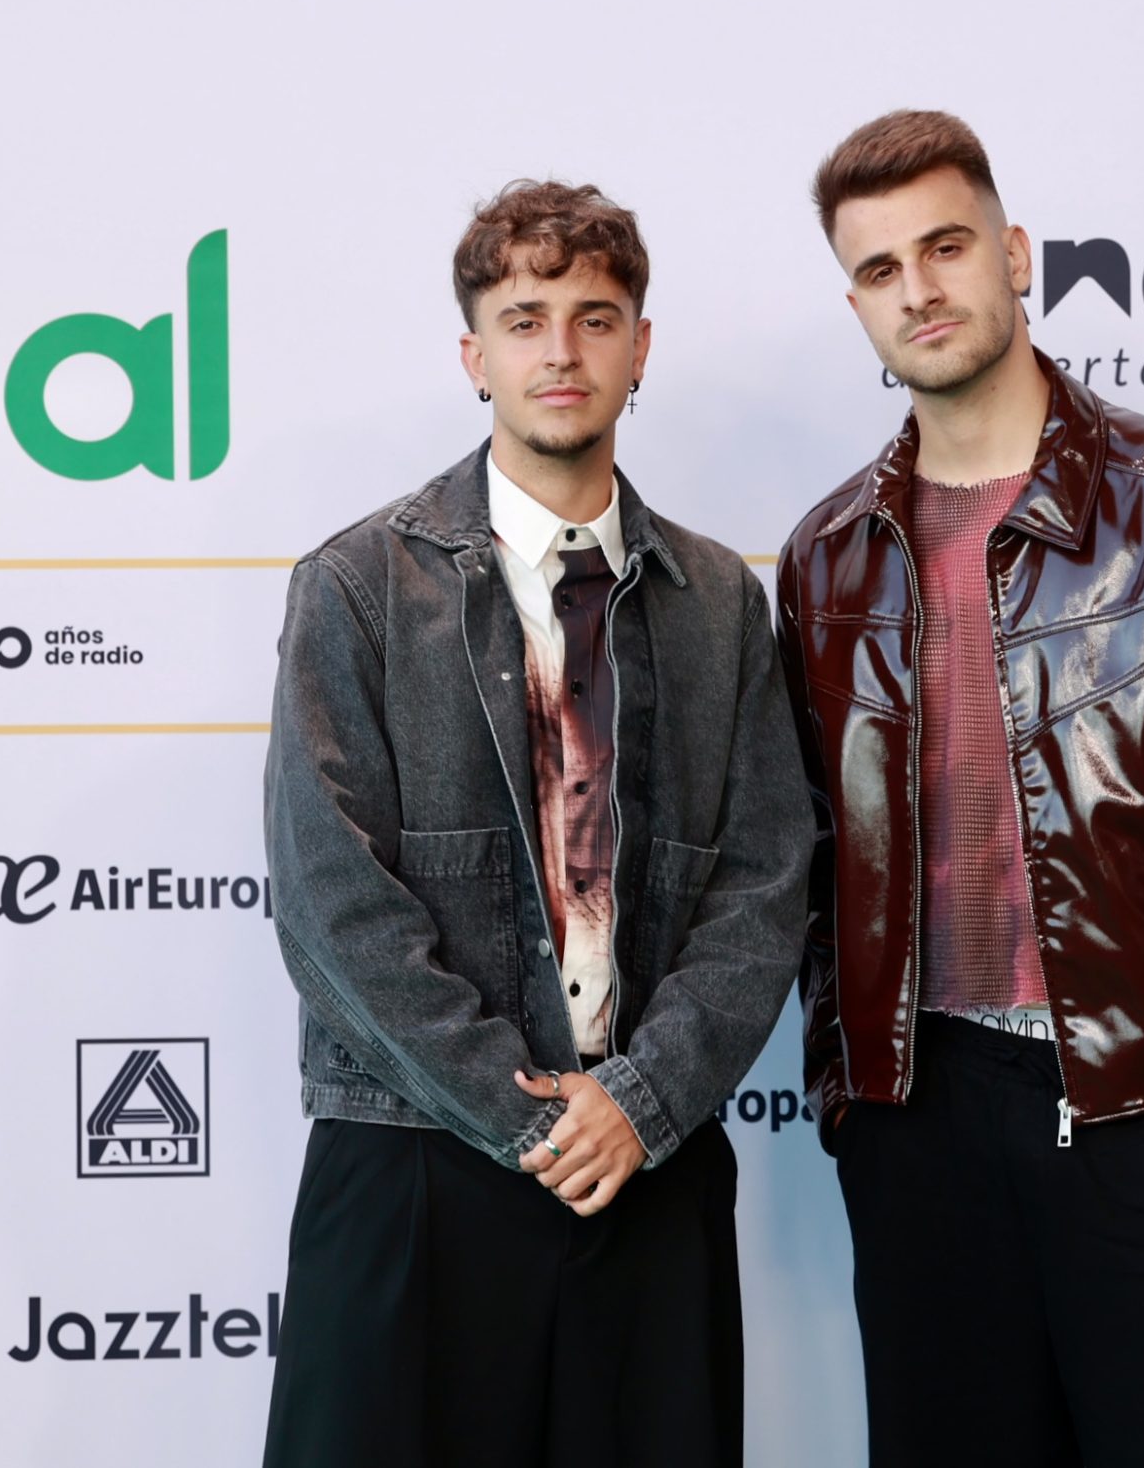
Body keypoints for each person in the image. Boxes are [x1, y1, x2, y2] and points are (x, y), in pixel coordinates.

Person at [777, 111, 1144, 1466]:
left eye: (945, 244)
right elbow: (815, 851)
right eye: (879, 268)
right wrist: (847, 1095)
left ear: (1015, 252)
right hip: (920, 1126)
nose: (919, 288)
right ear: (857, 303)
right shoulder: (826, 558)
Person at [259, 179, 811, 1468]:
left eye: (595, 317)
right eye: (524, 319)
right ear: (475, 356)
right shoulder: (355, 586)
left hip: (647, 1170)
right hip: (415, 1165)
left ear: (640, 345)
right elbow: (330, 896)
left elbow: (765, 883)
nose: (561, 351)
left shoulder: (721, 601)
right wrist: (522, 1116)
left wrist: (641, 1098)